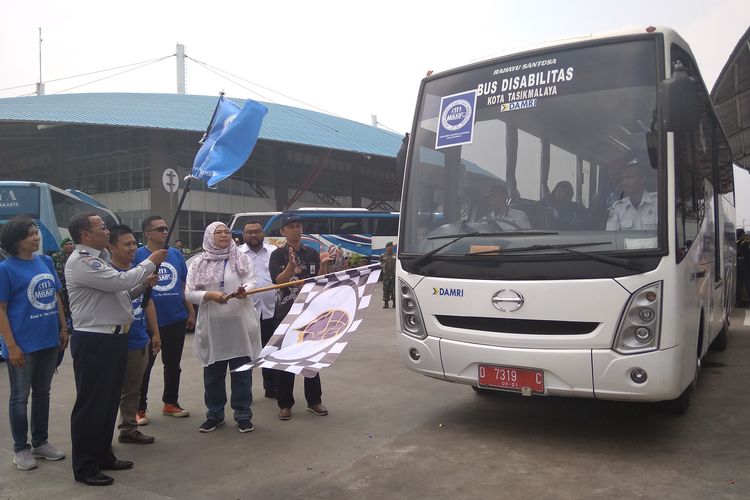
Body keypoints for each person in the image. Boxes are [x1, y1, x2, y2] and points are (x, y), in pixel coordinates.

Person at [65, 213, 167, 486]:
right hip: (95, 341)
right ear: (86, 235)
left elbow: (121, 293)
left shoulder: (99, 261)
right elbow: (120, 282)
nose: (107, 231)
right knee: (91, 405)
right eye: (101, 228)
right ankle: (85, 466)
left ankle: (103, 454)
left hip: (112, 340)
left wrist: (142, 285)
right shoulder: (83, 262)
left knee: (108, 403)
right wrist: (149, 262)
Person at [0, 216, 68, 471]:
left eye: (36, 232)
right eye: (30, 233)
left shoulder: (46, 261)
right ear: (16, 239)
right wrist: (12, 345)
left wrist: (63, 327)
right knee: (20, 397)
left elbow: (55, 295)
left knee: (43, 393)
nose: (36, 237)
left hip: (48, 339)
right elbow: (1, 309)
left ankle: (40, 442)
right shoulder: (5, 269)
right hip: (22, 343)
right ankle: (21, 449)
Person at [185, 222, 262, 433]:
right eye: (218, 232)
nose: (223, 235)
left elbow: (252, 281)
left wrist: (245, 290)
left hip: (239, 325)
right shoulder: (198, 263)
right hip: (213, 326)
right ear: (209, 236)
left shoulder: (240, 258)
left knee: (241, 373)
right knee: (213, 375)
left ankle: (243, 414)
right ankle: (215, 414)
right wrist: (209, 296)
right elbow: (189, 292)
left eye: (226, 231)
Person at [269, 212, 332, 420]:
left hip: (310, 314)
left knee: (311, 359)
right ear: (283, 231)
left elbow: (318, 281)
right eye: (291, 226)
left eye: (299, 226)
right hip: (286, 314)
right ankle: (285, 403)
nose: (296, 229)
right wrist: (290, 266)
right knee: (287, 359)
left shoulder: (312, 253)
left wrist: (323, 265)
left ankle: (314, 400)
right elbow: (279, 281)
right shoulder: (277, 255)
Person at [134, 216, 195, 424]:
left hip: (175, 318)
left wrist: (190, 311)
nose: (164, 232)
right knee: (145, 367)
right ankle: (139, 408)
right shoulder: (139, 255)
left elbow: (182, 284)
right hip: (148, 321)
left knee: (172, 364)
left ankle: (170, 402)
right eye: (159, 229)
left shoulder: (176, 254)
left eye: (166, 228)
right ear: (147, 234)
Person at [108, 225, 162, 445]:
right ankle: (102, 435)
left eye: (133, 244)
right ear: (111, 247)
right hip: (114, 341)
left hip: (139, 338)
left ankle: (128, 428)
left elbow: (147, 302)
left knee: (133, 389)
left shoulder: (139, 274)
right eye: (126, 244)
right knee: (111, 390)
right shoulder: (107, 274)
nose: (132, 248)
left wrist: (155, 333)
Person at [238, 221, 278, 399]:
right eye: (249, 232)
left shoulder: (273, 252)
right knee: (246, 353)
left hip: (271, 310)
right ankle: (245, 393)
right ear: (244, 235)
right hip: (246, 311)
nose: (253, 235)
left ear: (263, 233)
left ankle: (271, 387)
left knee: (270, 350)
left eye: (257, 231)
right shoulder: (237, 254)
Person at [606, 162, 658, 231]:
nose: (624, 182)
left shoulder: (657, 203)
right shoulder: (618, 208)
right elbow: (611, 236)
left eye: (629, 178)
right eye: (622, 179)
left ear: (642, 179)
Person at [52, 237, 75, 329]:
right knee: (63, 305)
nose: (69, 246)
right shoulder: (56, 257)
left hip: (73, 285)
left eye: (70, 244)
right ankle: (65, 325)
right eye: (67, 244)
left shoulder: (76, 256)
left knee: (73, 305)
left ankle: (73, 324)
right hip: (61, 286)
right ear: (62, 247)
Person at [379, 242, 396, 308]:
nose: (390, 248)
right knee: (386, 289)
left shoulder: (395, 256)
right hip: (386, 276)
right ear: (386, 247)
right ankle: (386, 303)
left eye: (391, 246)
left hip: (393, 275)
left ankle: (394, 303)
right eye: (389, 246)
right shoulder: (383, 256)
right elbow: (380, 264)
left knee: (394, 289)